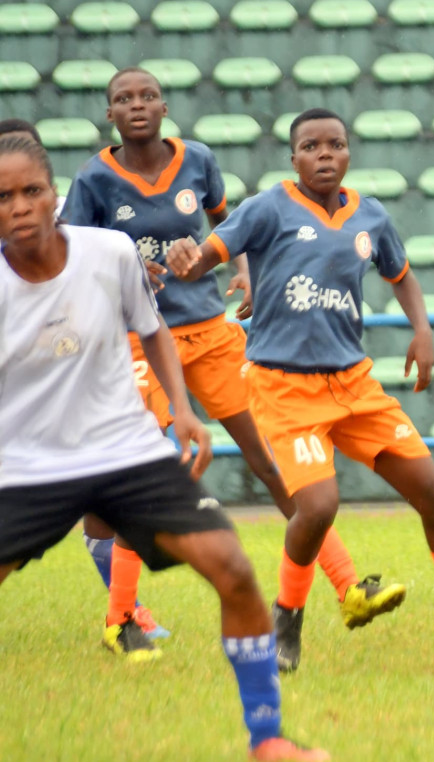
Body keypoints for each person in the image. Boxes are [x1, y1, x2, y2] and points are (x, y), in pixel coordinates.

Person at [166, 107, 434, 672]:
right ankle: (286, 625)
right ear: (292, 158)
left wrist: (421, 330)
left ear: (349, 153)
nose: (325, 155)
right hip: (284, 386)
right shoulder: (267, 209)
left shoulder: (369, 215)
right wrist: (187, 260)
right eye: (312, 147)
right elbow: (207, 260)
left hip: (354, 384)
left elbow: (402, 275)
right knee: (317, 506)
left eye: (336, 145)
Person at [0, 134, 329, 762]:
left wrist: (181, 412)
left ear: (54, 196)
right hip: (29, 467)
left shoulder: (109, 252)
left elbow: (152, 331)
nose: (18, 206)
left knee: (233, 571)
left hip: (127, 454)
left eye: (31, 191)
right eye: (3, 197)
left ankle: (268, 740)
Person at [63, 69, 403, 659]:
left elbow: (228, 223)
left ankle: (348, 588)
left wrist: (241, 268)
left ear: (165, 106)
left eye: (147, 96)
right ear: (109, 113)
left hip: (213, 334)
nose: (137, 105)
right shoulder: (94, 178)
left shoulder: (197, 160)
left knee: (274, 461)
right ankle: (121, 618)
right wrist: (118, 274)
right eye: (124, 99)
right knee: (152, 468)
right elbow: (70, 252)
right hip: (142, 340)